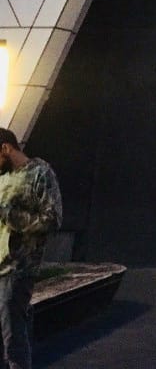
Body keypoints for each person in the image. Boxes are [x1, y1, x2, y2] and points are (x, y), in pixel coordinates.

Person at [0, 129, 61, 369]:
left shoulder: (40, 173)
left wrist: (11, 215)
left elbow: (52, 220)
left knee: (13, 337)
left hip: (18, 268)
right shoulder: (3, 177)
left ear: (6, 148)